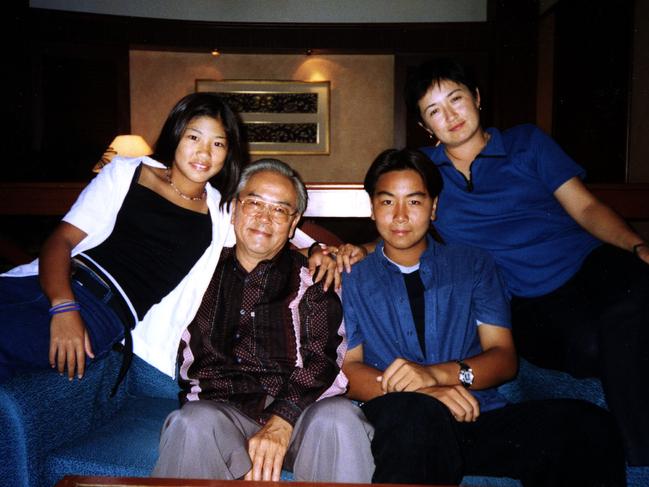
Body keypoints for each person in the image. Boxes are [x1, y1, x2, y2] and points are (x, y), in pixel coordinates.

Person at [401, 57, 649, 466]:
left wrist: (637, 246)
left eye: (456, 99)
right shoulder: (426, 173)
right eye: (434, 110)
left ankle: (640, 460)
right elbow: (403, 225)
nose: (450, 115)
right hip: (525, 300)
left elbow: (586, 209)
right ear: (427, 126)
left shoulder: (526, 143)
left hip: (588, 264)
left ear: (477, 98)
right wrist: (355, 250)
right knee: (590, 345)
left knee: (635, 297)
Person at [342, 148, 625, 486]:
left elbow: (503, 358)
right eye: (388, 202)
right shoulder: (351, 275)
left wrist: (434, 376)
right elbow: (349, 368)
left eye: (414, 202)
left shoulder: (473, 265)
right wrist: (419, 394)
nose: (401, 216)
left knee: (587, 424)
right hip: (394, 421)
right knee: (415, 417)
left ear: (434, 208)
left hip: (473, 415)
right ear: (371, 209)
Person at [0, 93, 327, 385]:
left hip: (101, 314)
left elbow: (280, 228)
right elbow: (61, 240)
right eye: (194, 137)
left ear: (228, 153)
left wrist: (319, 250)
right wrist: (63, 305)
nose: (204, 152)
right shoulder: (127, 173)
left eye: (217, 144)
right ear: (176, 136)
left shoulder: (221, 211)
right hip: (52, 285)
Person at [152, 159, 374, 482]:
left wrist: (282, 419)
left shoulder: (313, 276)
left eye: (279, 210)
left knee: (341, 420)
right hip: (220, 412)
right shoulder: (197, 271)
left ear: (294, 220)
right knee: (189, 424)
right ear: (236, 207)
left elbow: (323, 358)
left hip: (301, 417)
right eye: (254, 203)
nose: (263, 218)